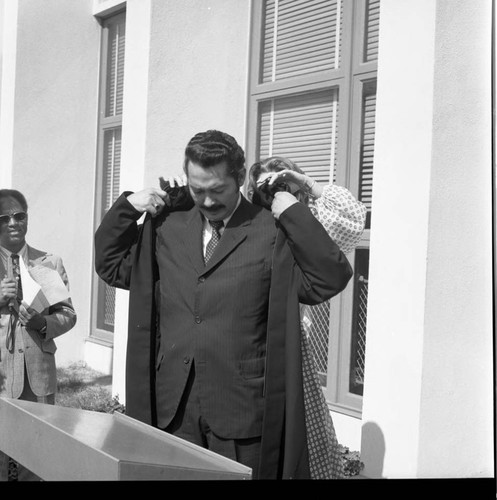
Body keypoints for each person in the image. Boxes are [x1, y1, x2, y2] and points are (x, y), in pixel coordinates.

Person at [94, 129, 353, 480]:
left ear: (239, 176)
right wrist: (128, 207)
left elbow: (329, 277)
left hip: (243, 416)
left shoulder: (271, 230)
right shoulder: (168, 226)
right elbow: (111, 266)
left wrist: (292, 212)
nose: (208, 200)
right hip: (173, 409)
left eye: (218, 190)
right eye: (197, 189)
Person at [248, 156, 366, 479]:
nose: (274, 190)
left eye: (280, 182)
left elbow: (354, 220)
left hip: (289, 347)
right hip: (247, 345)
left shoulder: (306, 224)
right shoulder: (249, 227)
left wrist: (306, 184)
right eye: (266, 186)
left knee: (300, 446)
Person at [0, 189, 77, 481]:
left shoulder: (49, 262)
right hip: (1, 374)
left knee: (37, 452)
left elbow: (68, 315)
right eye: (4, 217)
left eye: (19, 215)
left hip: (38, 375)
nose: (13, 223)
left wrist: (42, 323)